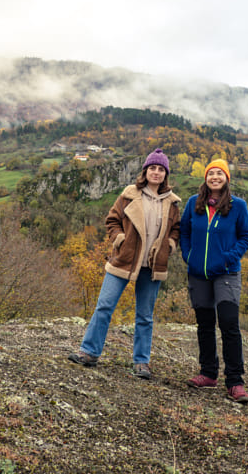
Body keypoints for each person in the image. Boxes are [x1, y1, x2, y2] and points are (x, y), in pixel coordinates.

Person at [68, 148, 181, 379]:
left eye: (161, 169)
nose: (156, 173)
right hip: (124, 260)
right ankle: (89, 352)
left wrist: (170, 244)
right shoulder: (129, 195)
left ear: (165, 174)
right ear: (145, 171)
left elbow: (177, 229)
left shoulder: (172, 203)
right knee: (105, 306)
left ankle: (141, 362)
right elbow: (112, 220)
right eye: (153, 168)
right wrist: (119, 239)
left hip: (152, 266)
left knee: (145, 316)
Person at [180, 158, 248, 402]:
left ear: (226, 179)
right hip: (198, 273)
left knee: (229, 324)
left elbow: (246, 238)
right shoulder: (193, 203)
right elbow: (185, 232)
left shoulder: (237, 206)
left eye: (219, 174)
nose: (215, 177)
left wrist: (226, 259)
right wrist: (188, 256)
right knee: (205, 323)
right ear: (205, 177)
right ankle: (208, 373)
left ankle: (235, 381)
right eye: (211, 173)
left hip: (226, 273)